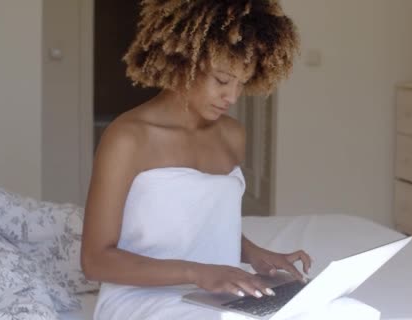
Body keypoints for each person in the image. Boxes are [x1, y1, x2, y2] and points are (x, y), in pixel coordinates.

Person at [80, 1, 312, 319]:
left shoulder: (232, 134)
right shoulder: (128, 137)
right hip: (142, 297)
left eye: (241, 84)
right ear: (184, 61)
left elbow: (203, 220)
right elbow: (95, 261)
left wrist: (253, 254)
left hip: (220, 295)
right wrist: (198, 273)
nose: (232, 97)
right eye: (221, 80)